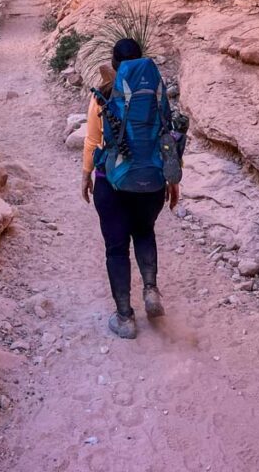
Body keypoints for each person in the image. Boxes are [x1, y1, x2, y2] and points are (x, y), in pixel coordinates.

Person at [81, 37, 179, 339]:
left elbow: (91, 140)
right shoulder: (153, 93)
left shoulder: (104, 94)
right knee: (145, 233)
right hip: (151, 181)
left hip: (112, 184)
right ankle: (150, 290)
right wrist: (173, 179)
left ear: (114, 64)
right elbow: (167, 137)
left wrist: (86, 174)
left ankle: (124, 318)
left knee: (116, 249)